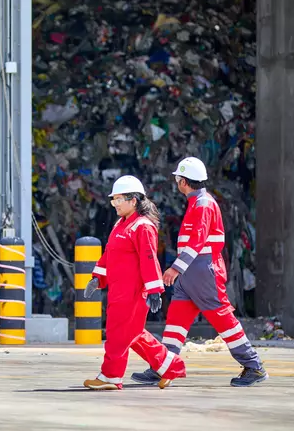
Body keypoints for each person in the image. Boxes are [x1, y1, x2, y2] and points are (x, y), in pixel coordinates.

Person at [132, 157, 268, 388]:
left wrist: (175, 268)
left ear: (183, 181)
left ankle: (253, 366)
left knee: (222, 318)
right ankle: (162, 366)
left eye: (177, 179)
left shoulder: (203, 204)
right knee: (175, 322)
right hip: (192, 273)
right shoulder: (198, 202)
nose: (176, 183)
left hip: (203, 271)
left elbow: (197, 241)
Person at [82, 176, 187, 390]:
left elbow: (149, 259)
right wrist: (97, 278)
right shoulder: (120, 225)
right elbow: (108, 255)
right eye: (114, 200)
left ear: (134, 200)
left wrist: (155, 290)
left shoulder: (143, 226)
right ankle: (171, 367)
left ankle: (111, 376)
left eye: (119, 199)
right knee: (135, 335)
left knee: (117, 334)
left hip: (133, 294)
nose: (115, 204)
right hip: (118, 291)